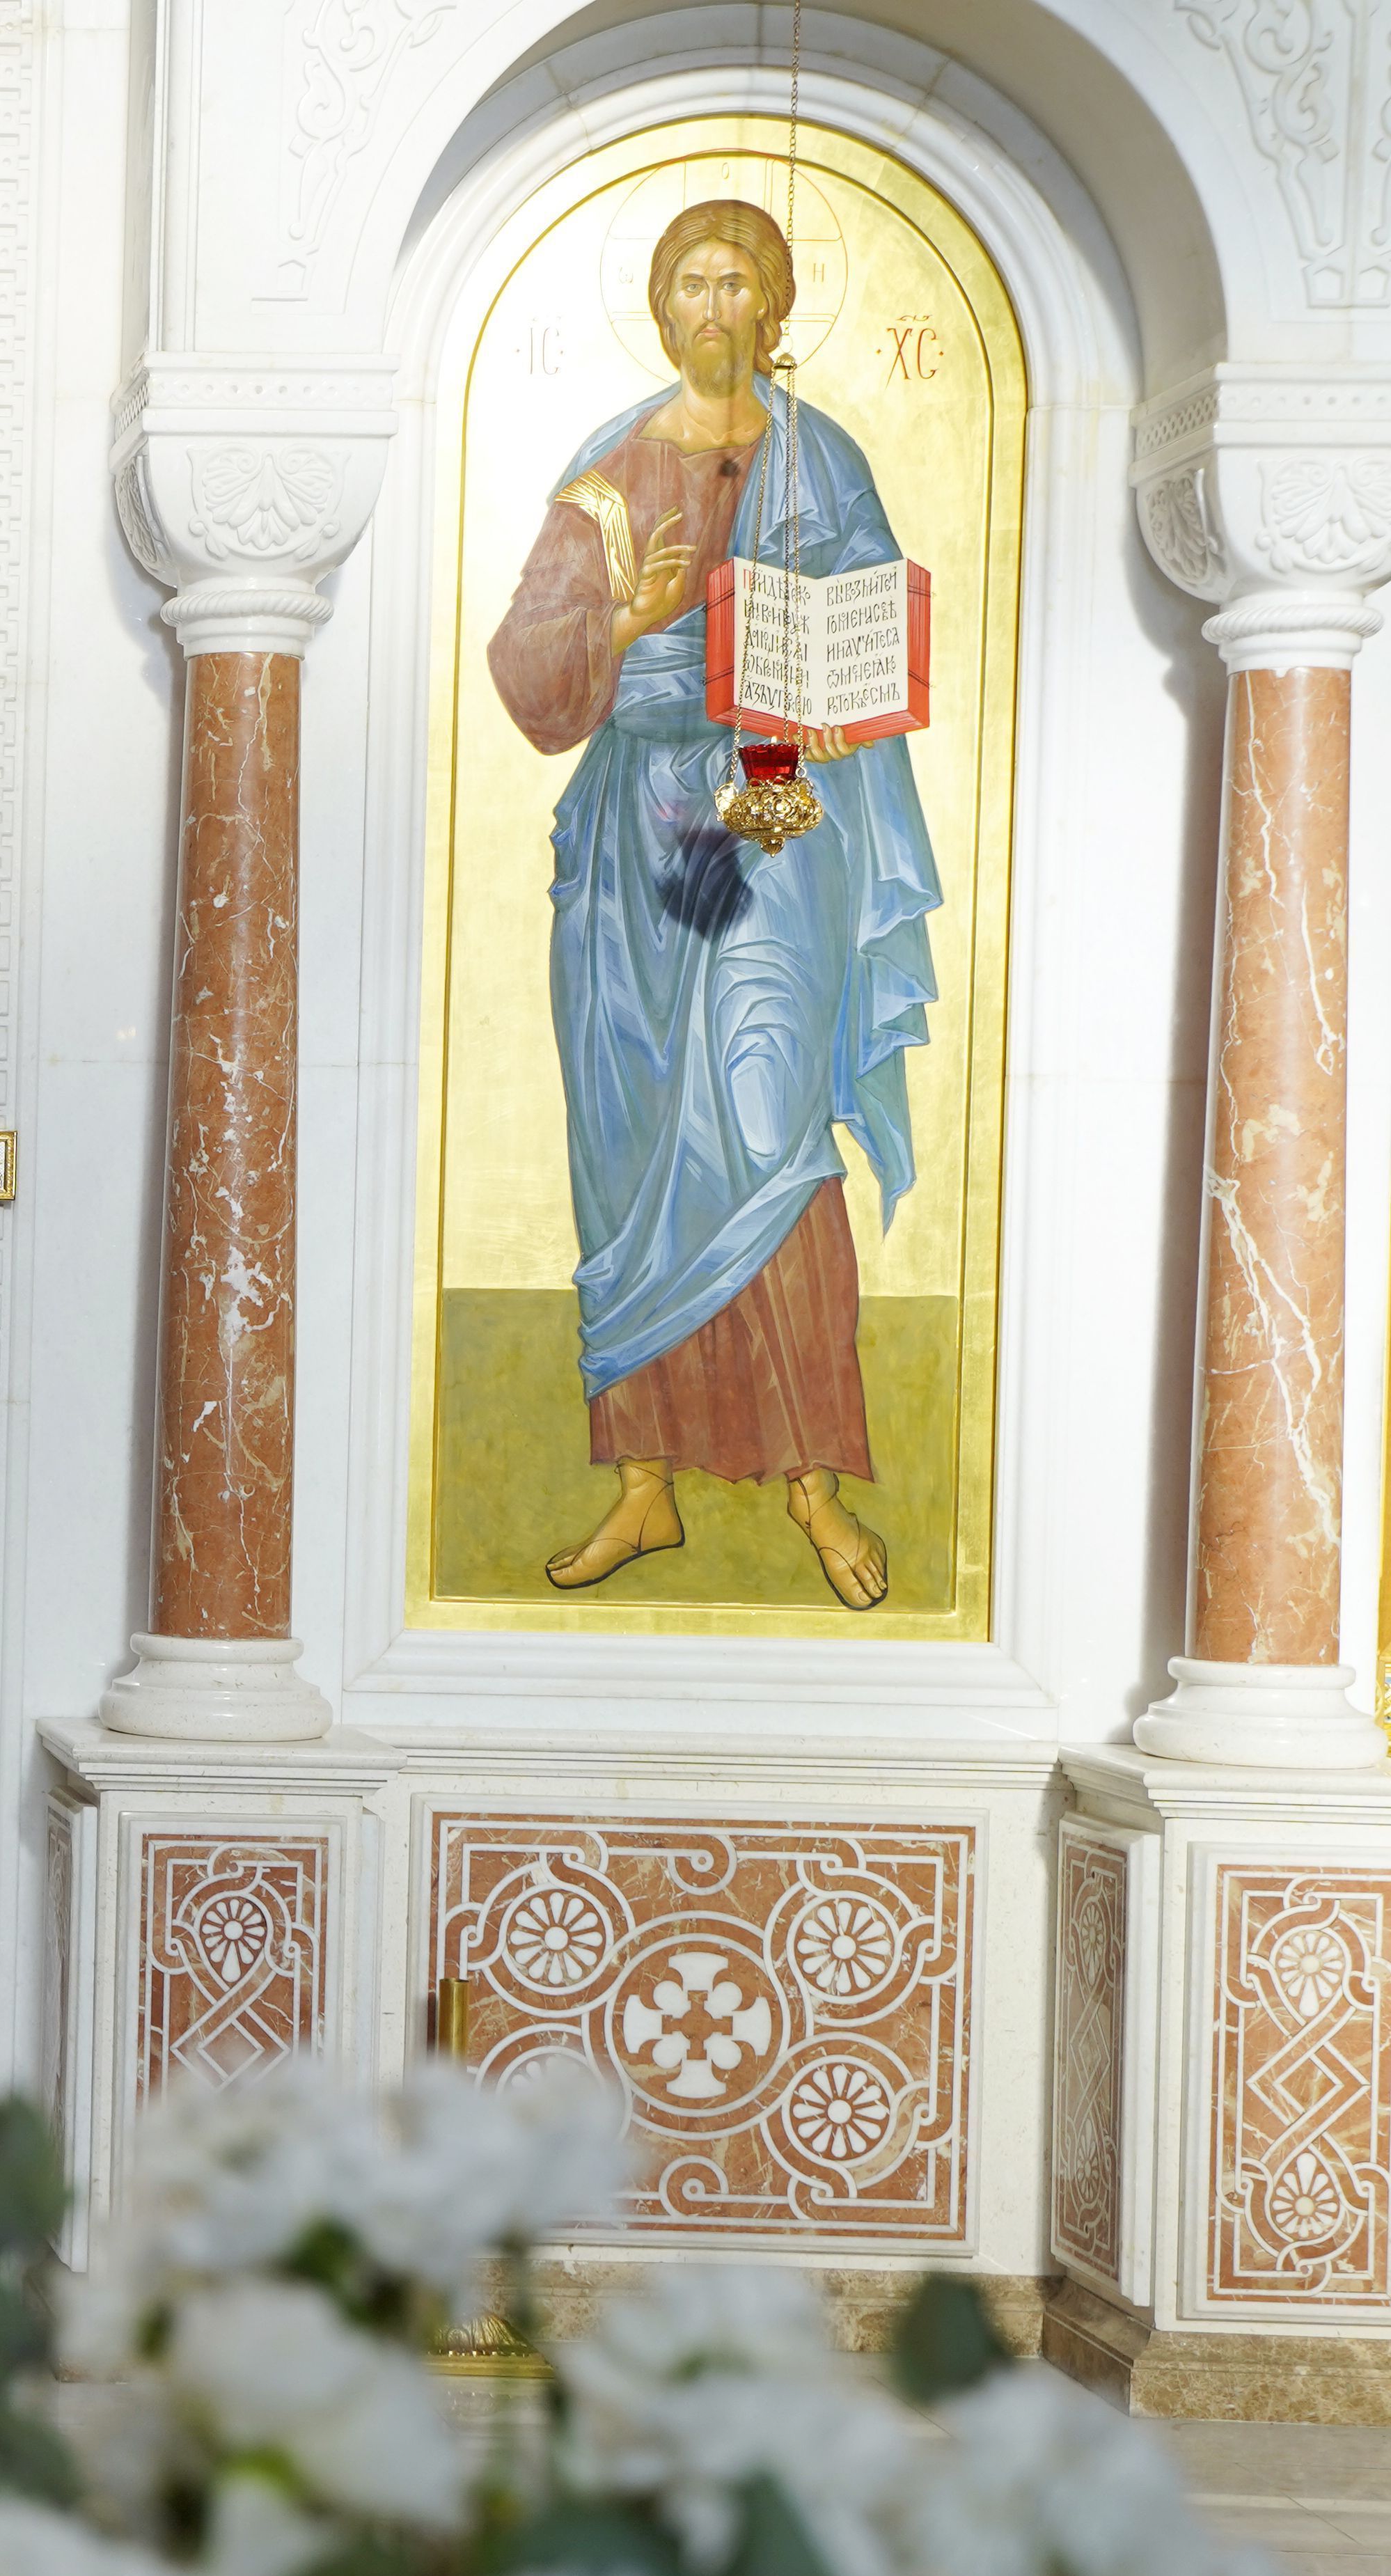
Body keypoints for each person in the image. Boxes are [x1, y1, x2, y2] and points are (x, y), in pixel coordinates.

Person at [484, 198, 939, 1612]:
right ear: (662, 307)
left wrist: (813, 668)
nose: (712, 306)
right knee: (629, 1135)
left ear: (774, 305)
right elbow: (527, 664)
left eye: (737, 282)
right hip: (640, 830)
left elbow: (875, 626)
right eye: (690, 282)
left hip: (766, 812)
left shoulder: (822, 458)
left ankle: (814, 1482)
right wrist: (623, 625)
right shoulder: (611, 465)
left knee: (764, 1115)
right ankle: (645, 1482)